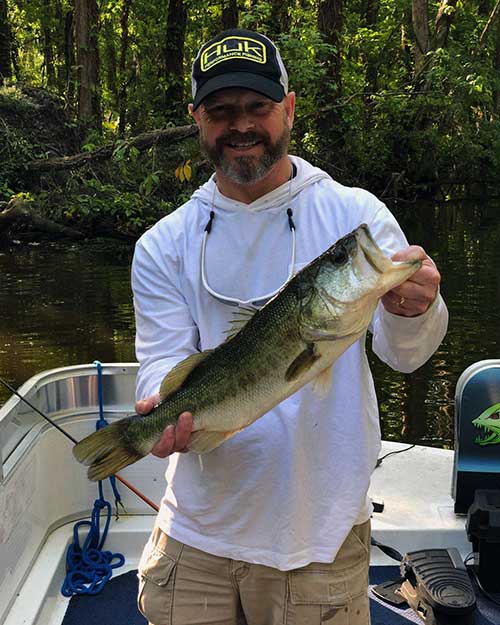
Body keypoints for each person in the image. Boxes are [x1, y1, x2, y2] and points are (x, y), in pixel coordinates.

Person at [132, 28, 448, 625]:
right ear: (196, 118)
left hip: (319, 537)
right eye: (222, 111)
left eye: (258, 107)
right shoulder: (162, 245)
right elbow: (160, 359)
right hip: (195, 532)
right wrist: (160, 408)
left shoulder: (354, 216)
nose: (241, 125)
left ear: (290, 108)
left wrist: (413, 309)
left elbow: (404, 355)